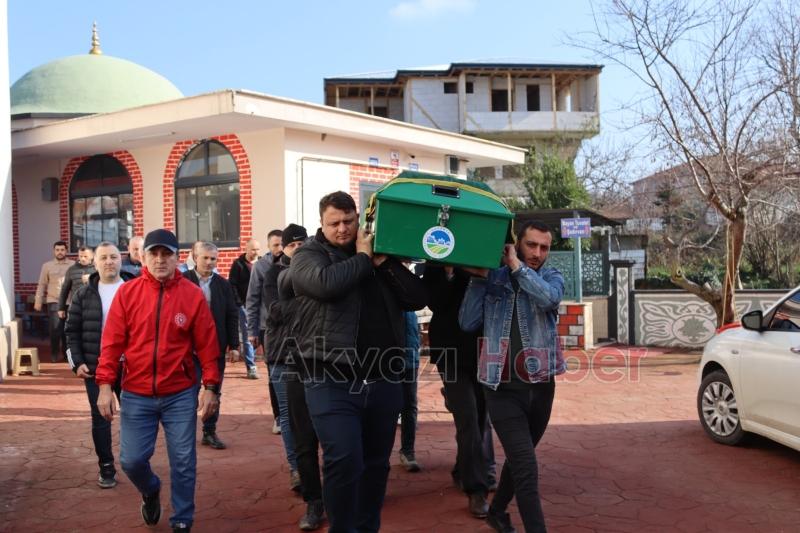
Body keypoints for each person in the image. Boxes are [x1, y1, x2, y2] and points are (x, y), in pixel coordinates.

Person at [291, 191, 427, 532]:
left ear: (358, 220)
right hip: (330, 378)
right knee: (344, 460)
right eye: (334, 223)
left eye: (348, 222)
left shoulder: (379, 254)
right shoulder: (310, 254)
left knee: (376, 464)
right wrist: (364, 259)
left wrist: (382, 262)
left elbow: (417, 297)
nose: (342, 230)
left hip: (383, 379)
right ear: (321, 224)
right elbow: (324, 285)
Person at [95, 229, 221, 533]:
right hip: (137, 393)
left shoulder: (191, 295)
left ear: (178, 258)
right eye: (154, 253)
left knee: (183, 459)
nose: (160, 259)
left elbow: (207, 344)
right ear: (142, 257)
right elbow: (111, 342)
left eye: (167, 254)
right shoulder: (128, 293)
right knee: (131, 460)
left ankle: (182, 518)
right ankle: (150, 489)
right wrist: (104, 385)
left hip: (180, 392)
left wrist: (211, 387)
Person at [459, 220, 566, 533]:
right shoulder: (492, 277)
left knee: (521, 459)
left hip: (541, 387)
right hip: (501, 388)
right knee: (527, 466)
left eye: (544, 247)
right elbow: (467, 322)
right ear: (517, 241)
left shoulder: (551, 275)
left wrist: (518, 267)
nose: (537, 252)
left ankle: (497, 512)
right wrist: (478, 281)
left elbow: (548, 299)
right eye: (531, 245)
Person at [422, 264, 496, 518]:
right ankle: (476, 490)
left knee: (480, 416)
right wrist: (449, 272)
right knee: (468, 417)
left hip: (484, 349)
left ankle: (463, 470)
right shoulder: (436, 260)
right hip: (449, 352)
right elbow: (435, 303)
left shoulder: (487, 256)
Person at [64, 242, 134, 488]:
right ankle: (106, 466)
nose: (109, 262)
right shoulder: (83, 294)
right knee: (101, 419)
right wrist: (77, 363)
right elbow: (71, 332)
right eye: (103, 258)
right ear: (95, 263)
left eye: (113, 257)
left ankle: (135, 462)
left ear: (121, 259)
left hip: (131, 368)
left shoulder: (134, 288)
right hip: (96, 367)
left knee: (136, 417)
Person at [264, 225, 308, 494]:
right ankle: (296, 468)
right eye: (292, 246)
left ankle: (311, 465)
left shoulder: (317, 268)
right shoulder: (273, 273)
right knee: (288, 415)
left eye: (301, 245)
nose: (296, 250)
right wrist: (310, 302)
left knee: (315, 415)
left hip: (312, 353)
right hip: (282, 354)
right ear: (284, 248)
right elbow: (275, 310)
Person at [183, 241, 240, 450]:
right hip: (187, 350)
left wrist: (234, 344)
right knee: (187, 392)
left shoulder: (223, 285)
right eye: (205, 257)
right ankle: (185, 433)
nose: (209, 262)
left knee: (214, 391)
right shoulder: (182, 280)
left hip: (214, 347)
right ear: (194, 257)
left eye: (213, 258)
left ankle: (209, 431)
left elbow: (232, 315)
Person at [245, 229, 283, 430]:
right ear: (268, 246)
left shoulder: (294, 262)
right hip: (266, 328)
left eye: (282, 244)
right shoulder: (261, 266)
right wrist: (251, 331)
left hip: (291, 328)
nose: (279, 248)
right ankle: (278, 417)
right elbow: (252, 299)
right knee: (274, 373)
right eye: (275, 245)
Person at [34, 241, 74, 362]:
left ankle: (67, 355)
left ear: (66, 251)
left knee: (67, 330)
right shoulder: (47, 266)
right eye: (57, 250)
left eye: (62, 250)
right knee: (55, 329)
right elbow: (42, 284)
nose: (60, 252)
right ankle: (54, 354)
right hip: (54, 301)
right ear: (54, 251)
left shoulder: (73, 265)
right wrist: (38, 301)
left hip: (69, 302)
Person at [228, 239, 261, 379]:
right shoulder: (238, 265)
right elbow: (232, 284)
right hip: (245, 306)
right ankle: (251, 366)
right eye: (253, 249)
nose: (255, 252)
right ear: (246, 249)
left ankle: (253, 358)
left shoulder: (262, 264)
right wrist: (239, 303)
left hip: (261, 305)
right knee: (248, 335)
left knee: (260, 334)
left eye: (257, 249)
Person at [398, 309, 422, 472]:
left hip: (409, 357)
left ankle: (408, 451)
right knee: (383, 408)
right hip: (384, 359)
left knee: (410, 406)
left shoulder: (409, 294)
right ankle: (377, 455)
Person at [57, 246, 96, 320]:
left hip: (94, 307)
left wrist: (92, 278)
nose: (83, 259)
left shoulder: (98, 269)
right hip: (76, 306)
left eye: (85, 256)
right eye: (81, 256)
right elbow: (64, 290)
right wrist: (61, 308)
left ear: (92, 256)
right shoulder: (72, 269)